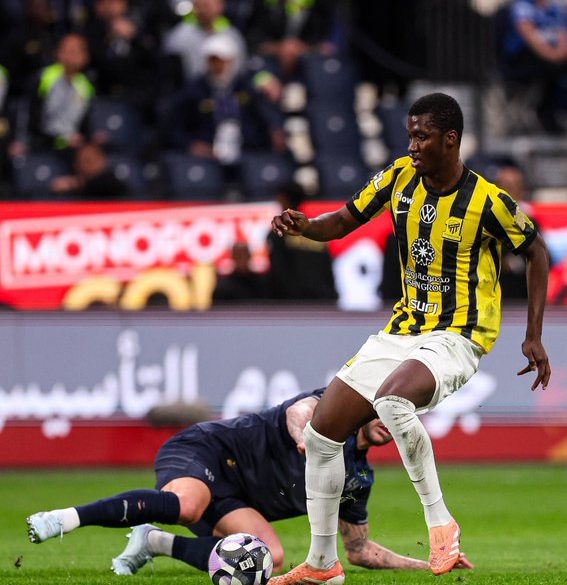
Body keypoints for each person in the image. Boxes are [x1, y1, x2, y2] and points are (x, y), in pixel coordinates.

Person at [270, 92, 551, 583]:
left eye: (422, 136)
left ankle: (441, 524)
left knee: (393, 402)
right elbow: (345, 220)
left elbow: (536, 252)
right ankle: (322, 564)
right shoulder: (399, 176)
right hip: (403, 330)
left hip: (459, 334)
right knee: (321, 434)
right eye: (410, 135)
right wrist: (305, 227)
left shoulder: (488, 201)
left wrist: (533, 335)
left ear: (450, 139)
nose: (412, 145)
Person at [25, 388, 473, 575]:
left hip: (237, 498)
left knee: (268, 559)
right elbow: (299, 411)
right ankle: (64, 519)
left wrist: (427, 566)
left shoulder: (356, 478)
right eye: (387, 413)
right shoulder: (331, 411)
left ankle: (155, 542)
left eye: (401, 420)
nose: (390, 425)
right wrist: (304, 437)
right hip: (208, 451)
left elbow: (359, 550)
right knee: (187, 506)